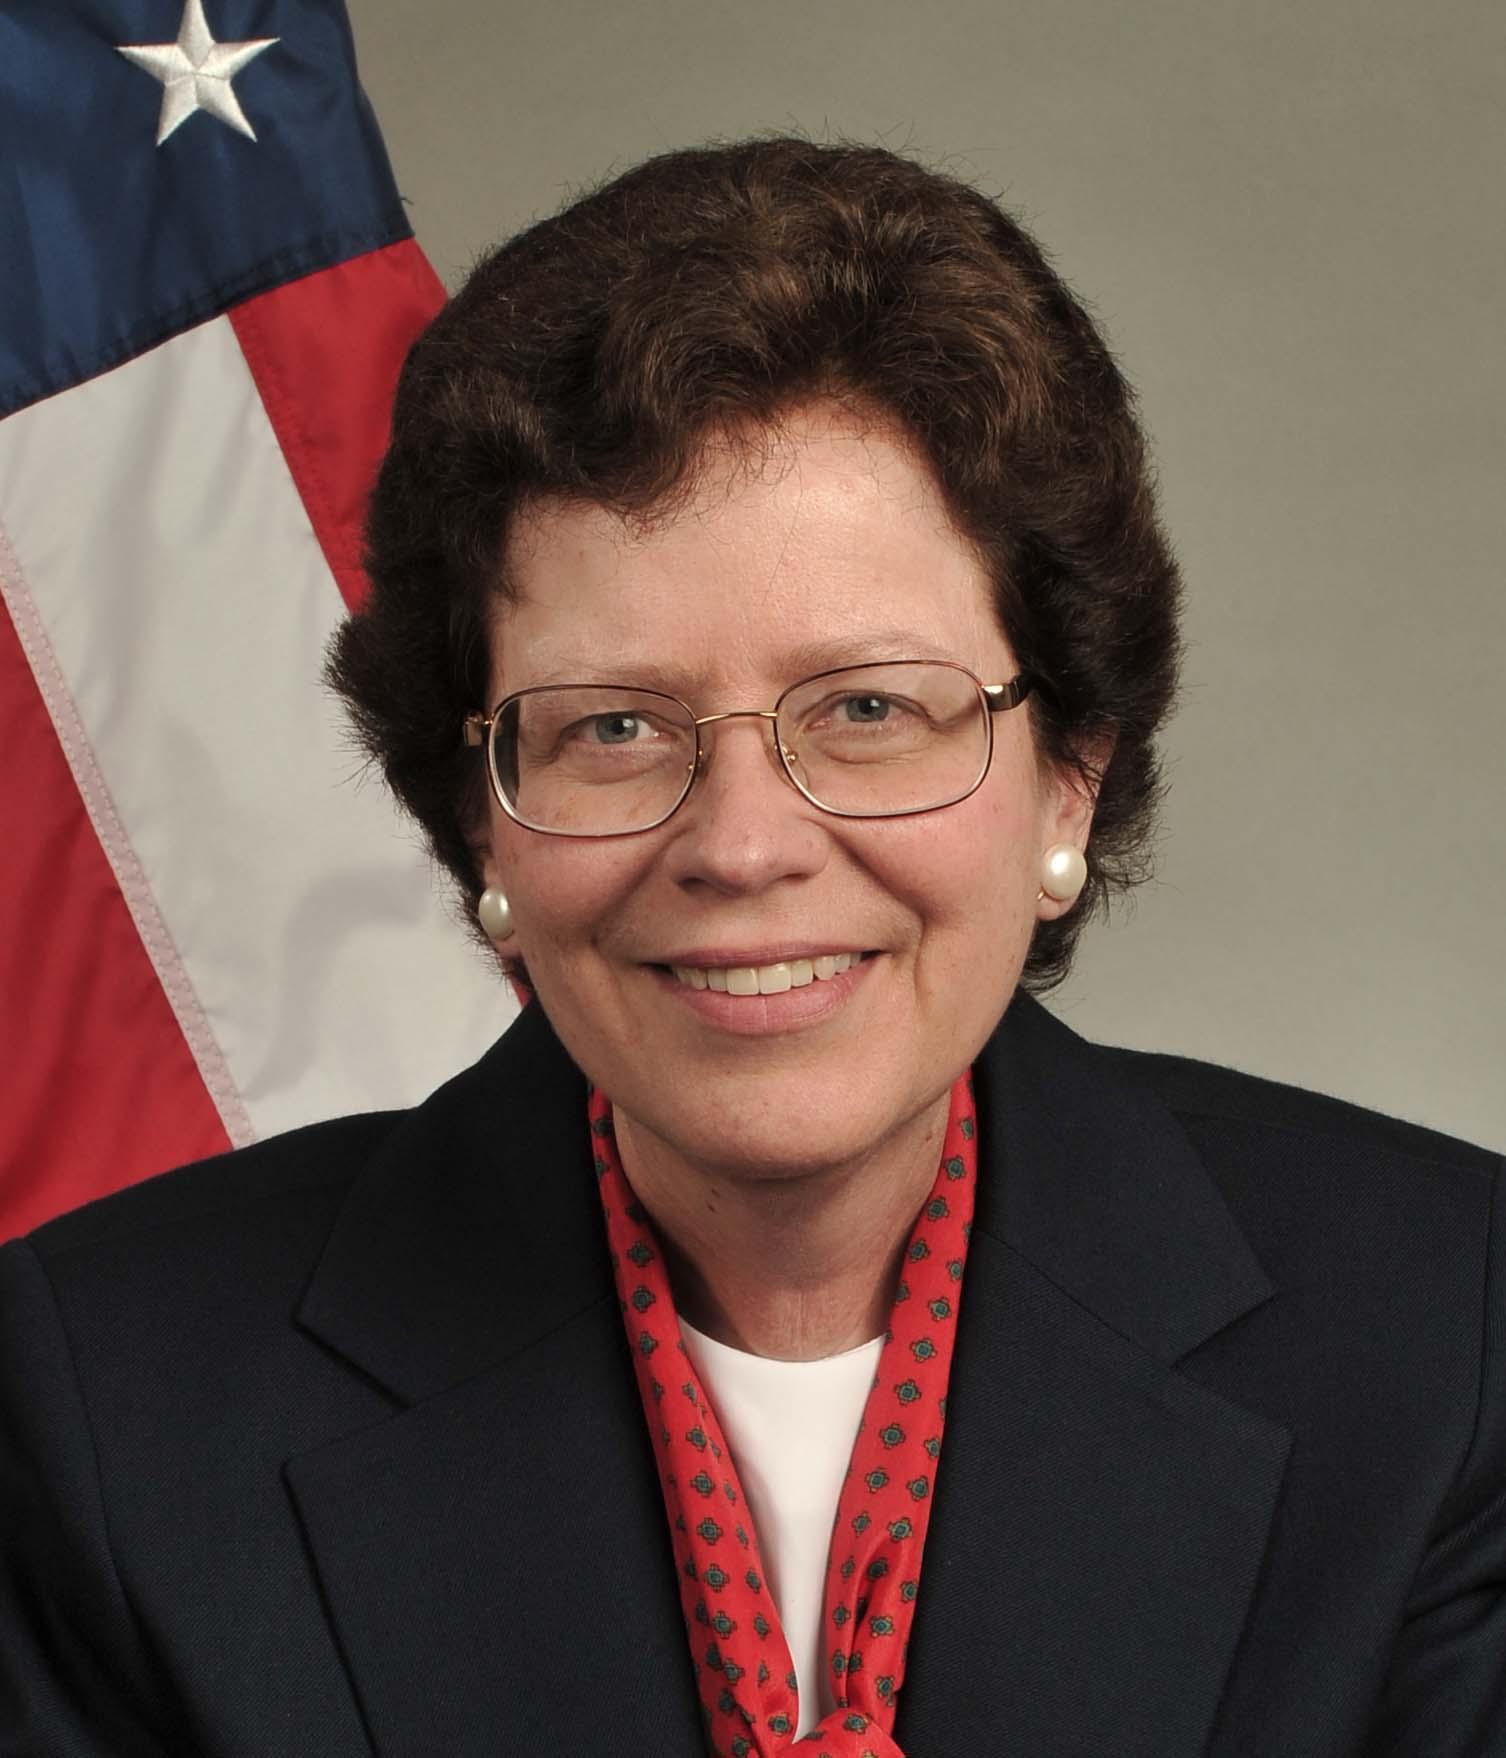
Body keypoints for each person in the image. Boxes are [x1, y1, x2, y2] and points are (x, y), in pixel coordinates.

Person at [1, 138, 1501, 1758]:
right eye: (614, 726)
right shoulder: (106, 1399)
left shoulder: (1448, 1337)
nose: (739, 843)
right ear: (481, 821)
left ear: (1066, 776)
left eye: (867, 707)